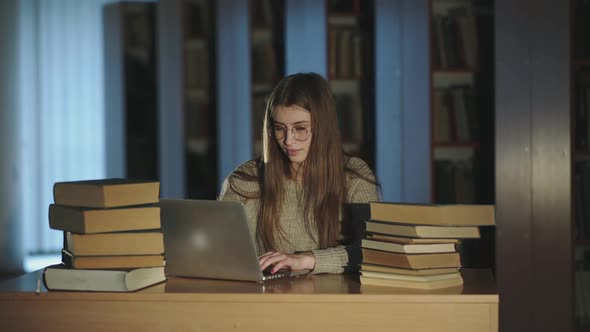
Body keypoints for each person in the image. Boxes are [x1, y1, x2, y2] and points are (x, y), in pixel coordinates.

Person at [218, 72, 380, 274]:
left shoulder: (354, 177)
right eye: (279, 129)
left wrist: (307, 260)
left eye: (300, 128)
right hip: (266, 300)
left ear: (323, 129)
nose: (288, 141)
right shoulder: (244, 180)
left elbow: (372, 251)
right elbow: (218, 251)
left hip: (333, 300)